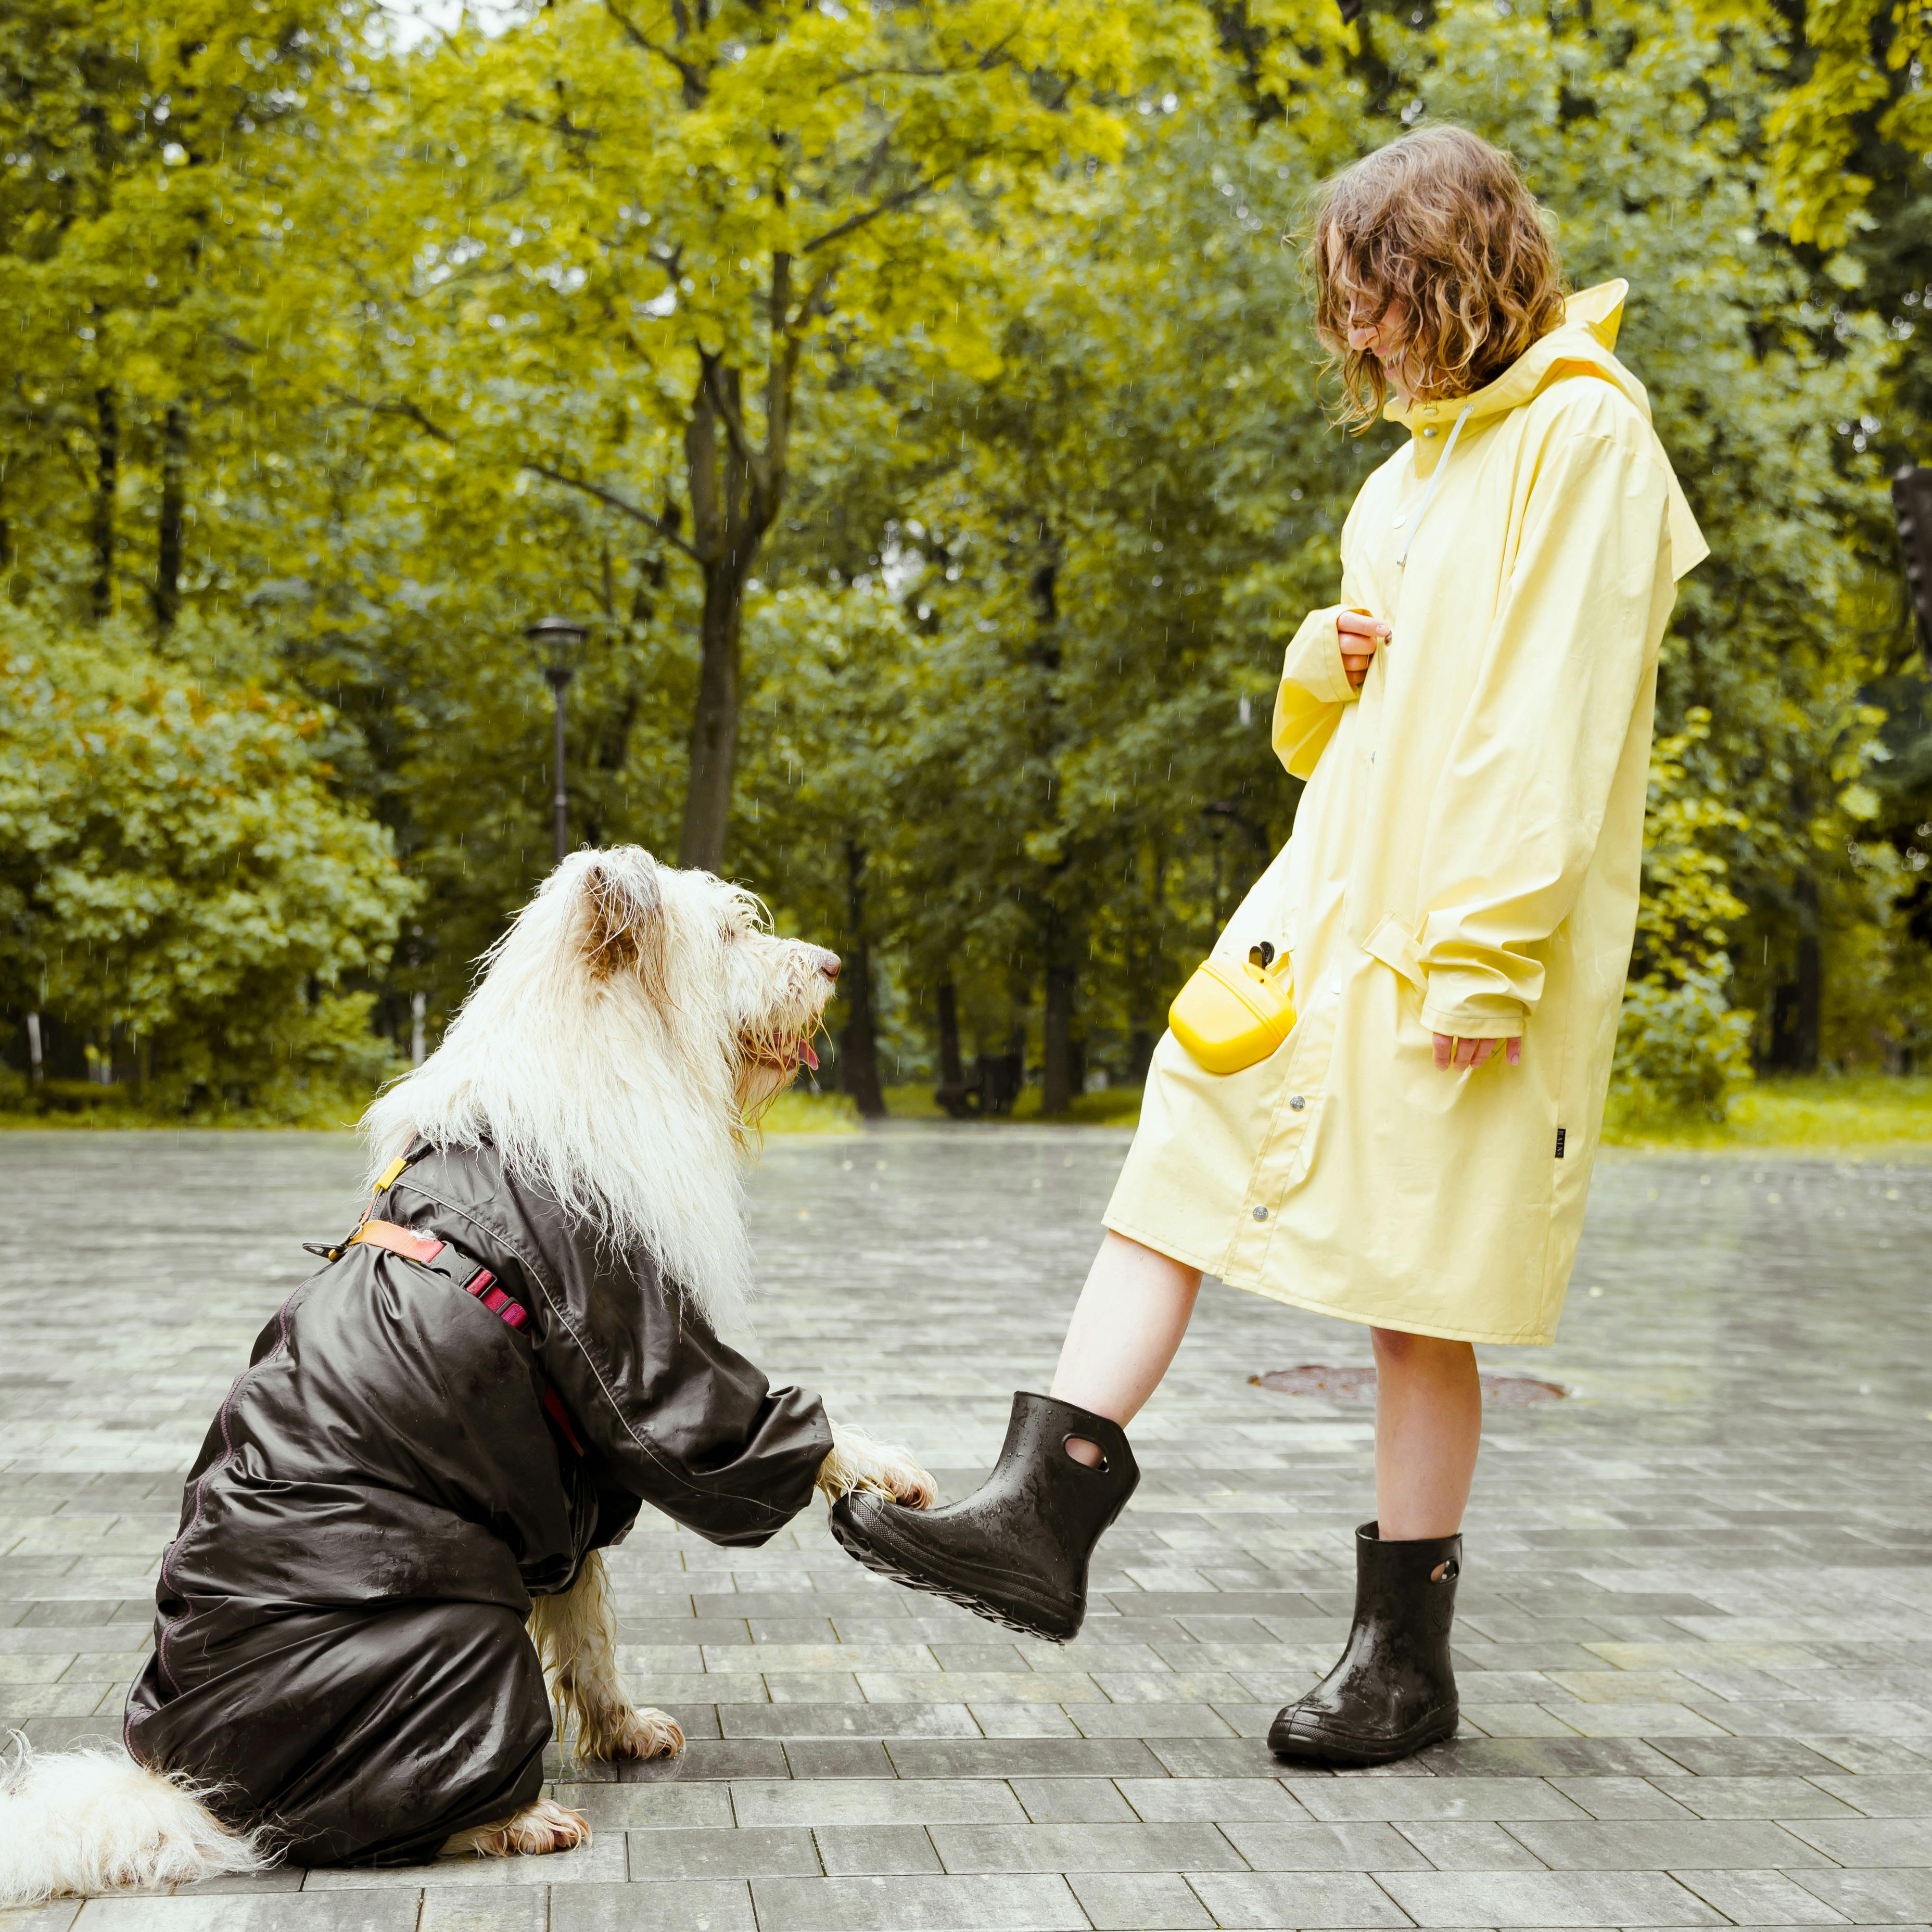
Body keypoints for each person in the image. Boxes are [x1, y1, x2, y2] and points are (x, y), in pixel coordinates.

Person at [832, 123, 1708, 1768]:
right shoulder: (1408, 472)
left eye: (1376, 297)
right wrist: (1316, 661)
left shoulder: (1586, 441)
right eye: (1347, 305)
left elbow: (1551, 730)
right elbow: (1335, 743)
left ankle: (1404, 1665)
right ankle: (1044, 1509)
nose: (1357, 335)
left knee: (1415, 1286)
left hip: (1457, 943)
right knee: (1180, 1147)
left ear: (1452, 271)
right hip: (1320, 914)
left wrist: (1485, 959)